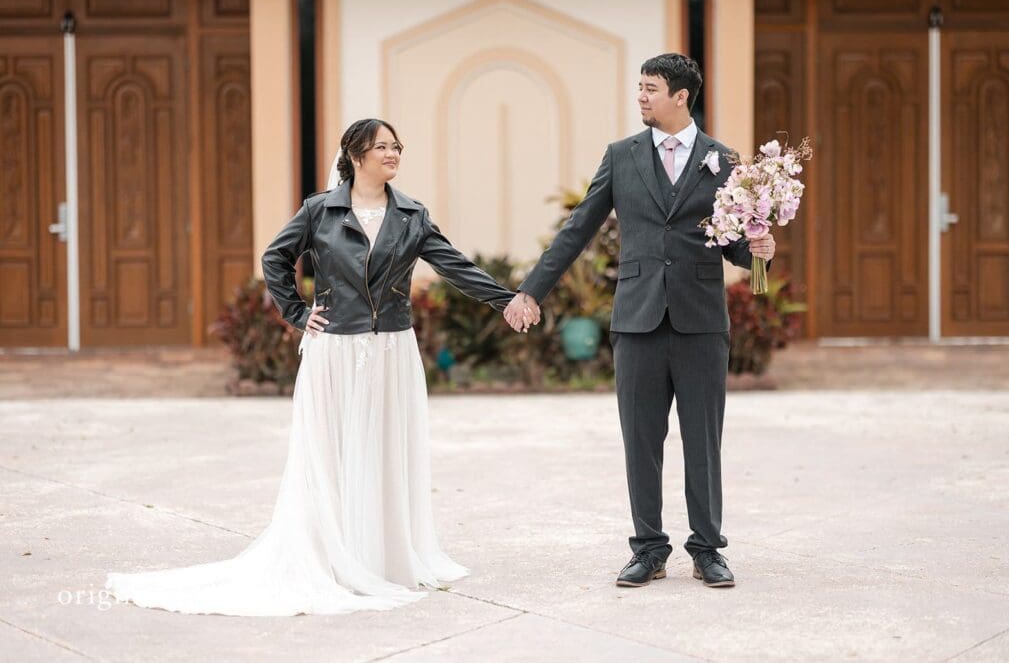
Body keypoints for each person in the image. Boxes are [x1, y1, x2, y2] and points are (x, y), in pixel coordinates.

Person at [105, 118, 517, 615]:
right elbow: (275, 258)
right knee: (333, 449)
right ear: (356, 155)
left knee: (384, 447)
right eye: (382, 146)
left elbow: (455, 266)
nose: (393, 154)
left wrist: (508, 301)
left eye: (397, 146)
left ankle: (380, 555)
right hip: (335, 351)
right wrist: (299, 314)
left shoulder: (411, 215)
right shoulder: (320, 211)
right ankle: (337, 555)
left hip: (391, 350)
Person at [504, 53, 775, 588]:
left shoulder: (723, 159)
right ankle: (648, 548)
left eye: (651, 89)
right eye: (639, 88)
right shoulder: (621, 156)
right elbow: (578, 228)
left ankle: (707, 549)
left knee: (703, 440)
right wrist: (530, 291)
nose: (641, 98)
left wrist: (761, 248)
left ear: (681, 96)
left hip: (700, 321)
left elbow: (738, 247)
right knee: (641, 440)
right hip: (637, 320)